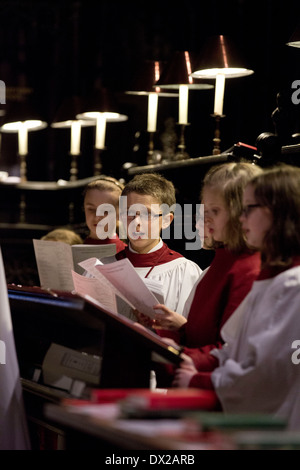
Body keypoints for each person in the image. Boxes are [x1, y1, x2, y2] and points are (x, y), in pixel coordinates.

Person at [173, 164, 300, 431]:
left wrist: (200, 381)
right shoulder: (274, 277)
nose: (241, 219)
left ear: (280, 213)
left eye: (249, 209)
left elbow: (267, 372)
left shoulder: (292, 284)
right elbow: (236, 347)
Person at [151, 162, 262, 380]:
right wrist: (171, 334)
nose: (205, 218)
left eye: (215, 211)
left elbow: (232, 352)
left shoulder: (249, 269)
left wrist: (176, 354)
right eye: (204, 209)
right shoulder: (221, 261)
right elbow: (203, 335)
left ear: (241, 212)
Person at [101, 172, 202, 321]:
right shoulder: (102, 268)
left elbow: (192, 332)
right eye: (129, 213)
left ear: (167, 220)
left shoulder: (185, 273)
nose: (136, 223)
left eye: (146, 214)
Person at [82, 176, 127, 253]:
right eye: (91, 209)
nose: (97, 218)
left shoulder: (126, 254)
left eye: (105, 211)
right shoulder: (73, 251)